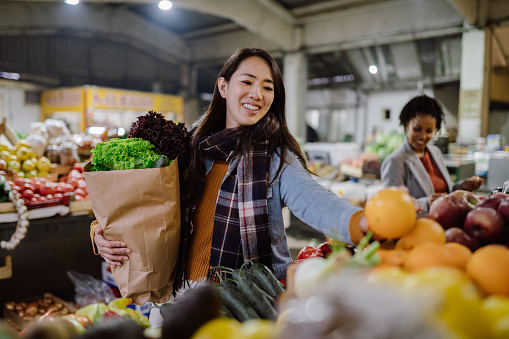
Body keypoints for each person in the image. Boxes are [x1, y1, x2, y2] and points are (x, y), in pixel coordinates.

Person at [91, 47, 369, 326]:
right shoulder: (189, 146)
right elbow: (143, 201)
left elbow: (314, 200)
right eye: (247, 82)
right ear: (223, 87)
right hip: (178, 296)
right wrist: (100, 233)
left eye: (267, 87)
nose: (257, 94)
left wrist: (364, 222)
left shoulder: (278, 158)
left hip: (247, 305)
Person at [381, 95, 484, 212]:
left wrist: (462, 187)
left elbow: (444, 192)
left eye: (429, 131)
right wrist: (425, 203)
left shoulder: (435, 153)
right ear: (407, 125)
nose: (423, 136)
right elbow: (391, 203)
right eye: (417, 129)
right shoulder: (395, 161)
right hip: (419, 226)